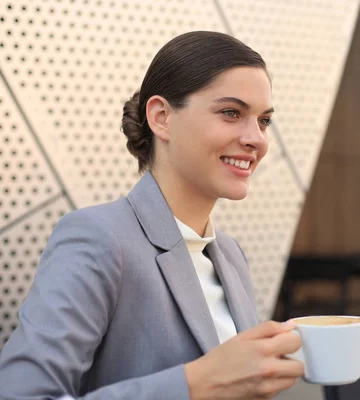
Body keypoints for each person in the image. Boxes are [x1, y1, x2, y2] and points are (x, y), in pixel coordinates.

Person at [0, 31, 304, 399]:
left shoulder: (230, 254)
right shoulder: (99, 238)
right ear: (161, 118)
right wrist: (194, 384)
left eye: (264, 121)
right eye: (231, 113)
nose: (256, 138)